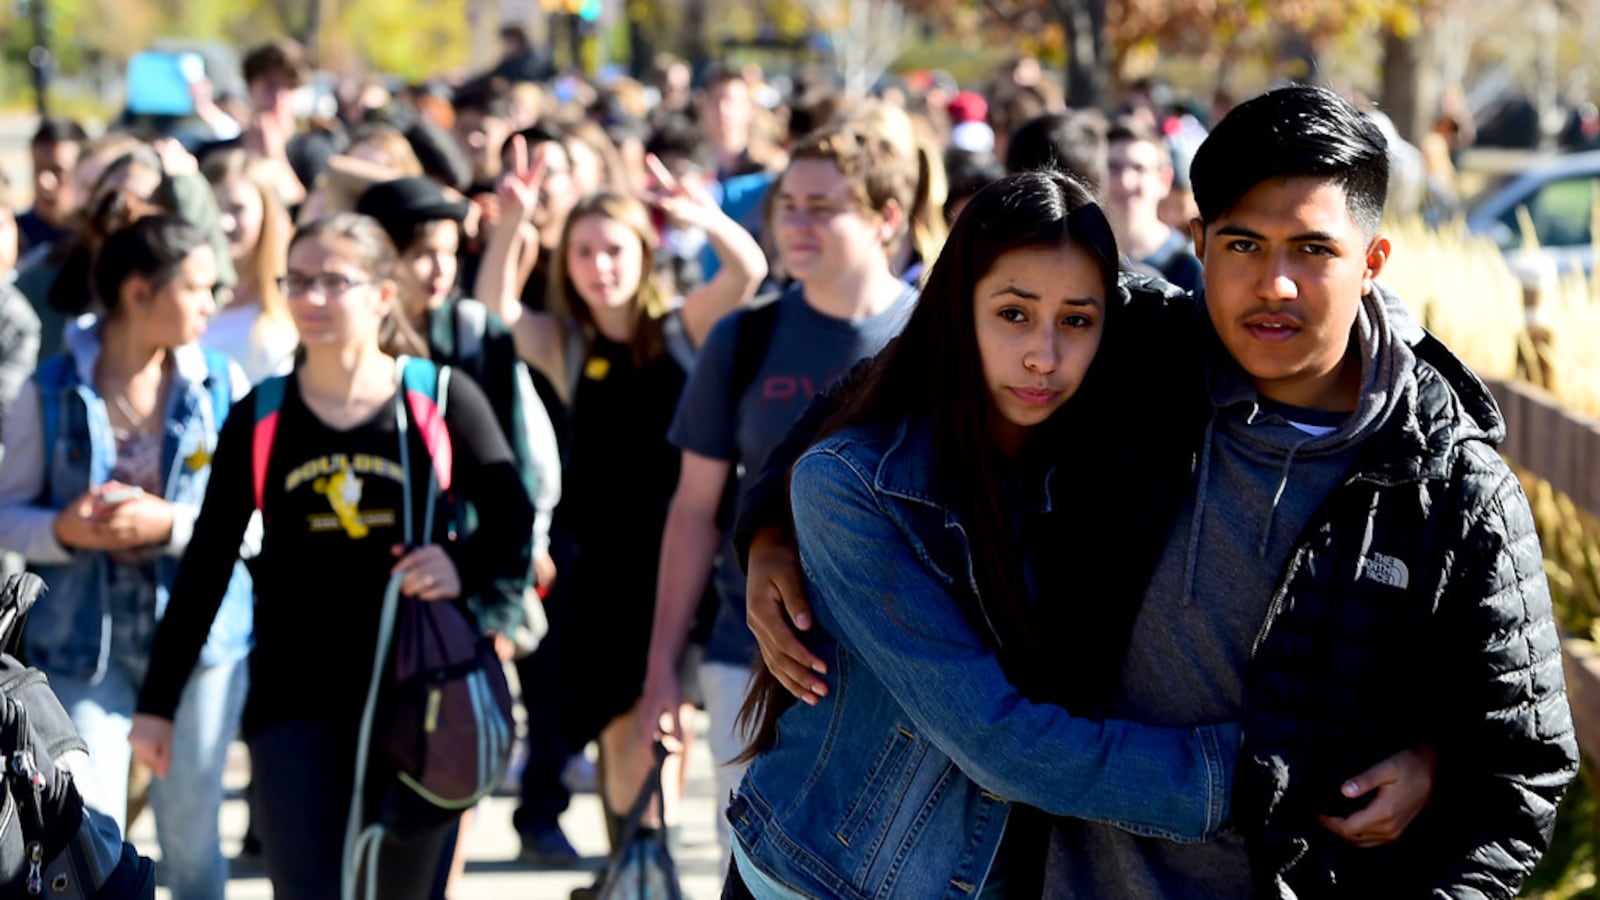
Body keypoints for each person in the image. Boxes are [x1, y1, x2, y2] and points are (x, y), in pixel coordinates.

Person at [744, 83, 1578, 897]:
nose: (1275, 284)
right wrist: (770, 522)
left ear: (1372, 262)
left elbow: (1522, 769)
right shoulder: (1149, 354)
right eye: (1244, 245)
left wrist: (1440, 755)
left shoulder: (1451, 484)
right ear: (1200, 242)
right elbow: (903, 373)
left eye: (1313, 250)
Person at [724, 168, 1250, 899]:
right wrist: (1241, 780)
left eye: (1077, 320)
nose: (1044, 354)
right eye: (1012, 314)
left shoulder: (1092, 452)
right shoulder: (856, 487)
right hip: (821, 879)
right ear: (958, 310)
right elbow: (999, 743)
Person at [129, 212, 535, 898]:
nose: (311, 297)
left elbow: (512, 516)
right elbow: (205, 567)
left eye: (333, 282)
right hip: (293, 702)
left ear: (382, 294)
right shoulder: (262, 413)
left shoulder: (437, 397)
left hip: (421, 696)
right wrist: (158, 703)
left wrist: (459, 567)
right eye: (298, 280)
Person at [638, 123, 922, 878]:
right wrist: (663, 667)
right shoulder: (746, 338)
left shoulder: (935, 340)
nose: (795, 224)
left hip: (908, 674)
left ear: (887, 218)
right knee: (759, 878)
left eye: (822, 207)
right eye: (786, 204)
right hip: (748, 660)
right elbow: (695, 510)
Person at [479, 142, 768, 859]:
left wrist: (703, 218)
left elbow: (749, 272)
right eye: (582, 252)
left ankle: (648, 853)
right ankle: (634, 860)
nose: (599, 266)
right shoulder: (564, 342)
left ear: (642, 253)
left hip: (675, 558)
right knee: (615, 725)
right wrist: (513, 223)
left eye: (613, 249)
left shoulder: (679, 329)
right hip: (596, 569)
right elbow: (492, 312)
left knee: (659, 717)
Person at [0, 215, 251, 900]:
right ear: (140, 291)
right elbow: (7, 512)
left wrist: (171, 522)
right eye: (198, 287)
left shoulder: (222, 385)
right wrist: (62, 528)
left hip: (200, 648)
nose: (212, 304)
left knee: (195, 850)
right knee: (87, 844)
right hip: (83, 653)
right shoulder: (49, 385)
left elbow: (255, 527)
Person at [202, 148, 300, 383]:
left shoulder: (296, 296)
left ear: (266, 214)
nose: (223, 223)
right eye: (212, 208)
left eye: (237, 209)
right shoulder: (181, 294)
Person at [1104, 116, 1203, 291]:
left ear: (1164, 180)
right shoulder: (1085, 257)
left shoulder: (1189, 263)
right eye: (1114, 167)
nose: (1125, 181)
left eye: (1139, 168)